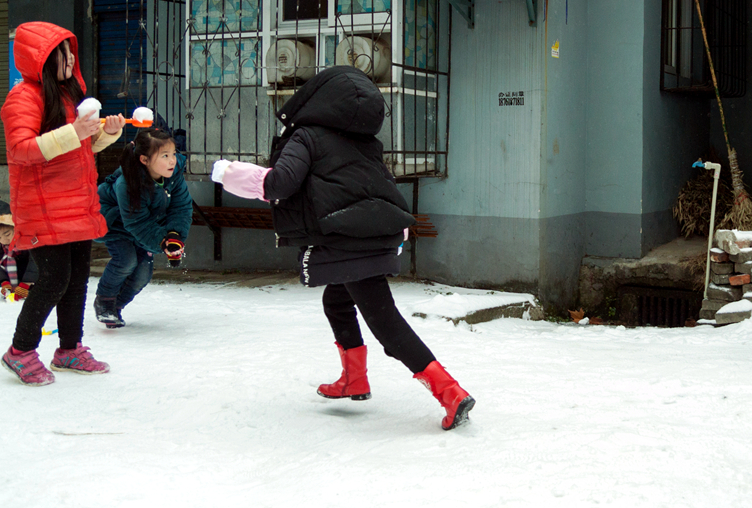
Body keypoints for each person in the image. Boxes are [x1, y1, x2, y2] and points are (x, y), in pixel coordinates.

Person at [213, 65, 476, 430]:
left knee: (386, 324)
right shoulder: (365, 143)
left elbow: (281, 183)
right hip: (369, 235)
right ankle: (354, 378)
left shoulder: (307, 136)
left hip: (345, 240)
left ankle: (450, 392)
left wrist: (230, 174)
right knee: (336, 301)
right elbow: (380, 187)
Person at [0, 22, 125, 386]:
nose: (71, 60)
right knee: (54, 279)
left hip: (76, 203)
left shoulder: (67, 97)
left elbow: (77, 149)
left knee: (76, 280)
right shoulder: (22, 98)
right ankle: (20, 350)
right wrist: (75, 132)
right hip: (43, 206)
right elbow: (21, 151)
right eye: (62, 54)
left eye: (71, 53)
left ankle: (69, 349)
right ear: (42, 59)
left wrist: (107, 134)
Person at [94, 127, 192, 328]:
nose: (172, 160)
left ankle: (115, 308)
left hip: (145, 225)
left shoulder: (173, 176)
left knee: (142, 274)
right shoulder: (128, 183)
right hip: (115, 223)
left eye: (173, 154)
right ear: (144, 160)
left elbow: (181, 206)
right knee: (127, 260)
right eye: (165, 156)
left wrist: (174, 236)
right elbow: (136, 222)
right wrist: (162, 241)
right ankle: (104, 302)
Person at [0, 199, 37, 302]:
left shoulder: (28, 242)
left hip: (32, 283)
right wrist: (4, 281)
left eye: (7, 234)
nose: (4, 240)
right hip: (14, 289)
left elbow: (35, 264)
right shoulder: (2, 248)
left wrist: (26, 283)